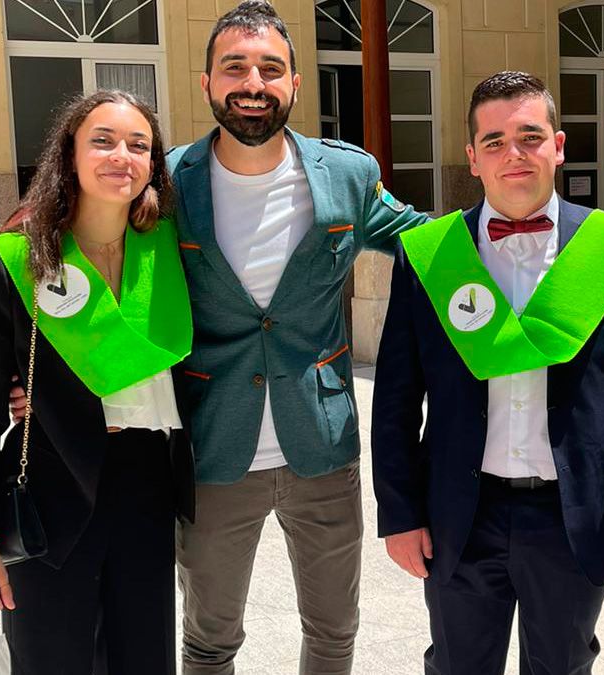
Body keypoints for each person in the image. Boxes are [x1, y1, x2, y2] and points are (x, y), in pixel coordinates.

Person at [372, 71, 604, 674]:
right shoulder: (429, 254)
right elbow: (397, 397)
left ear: (559, 147)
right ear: (472, 159)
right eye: (494, 141)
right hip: (461, 511)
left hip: (572, 514)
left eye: (530, 137)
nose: (514, 154)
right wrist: (400, 515)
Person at [168, 2, 430, 672]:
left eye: (270, 68)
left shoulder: (345, 172)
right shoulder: (167, 182)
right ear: (206, 84)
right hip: (213, 452)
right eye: (234, 67)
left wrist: (529, 232)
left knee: (335, 632)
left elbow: (426, 241)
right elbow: (95, 265)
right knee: (208, 639)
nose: (252, 82)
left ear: (293, 84)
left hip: (322, 447)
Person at [0, 90, 195, 674]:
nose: (121, 156)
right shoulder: (16, 259)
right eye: (102, 141)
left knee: (145, 659)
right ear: (70, 154)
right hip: (51, 487)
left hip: (149, 484)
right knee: (51, 660)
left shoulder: (170, 247)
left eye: (139, 145)